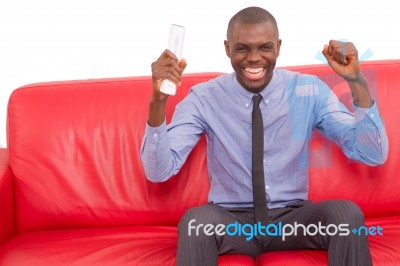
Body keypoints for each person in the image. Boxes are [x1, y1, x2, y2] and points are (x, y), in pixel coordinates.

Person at [140, 6, 388, 266]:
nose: (254, 58)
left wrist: (357, 82)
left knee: (346, 215)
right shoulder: (204, 98)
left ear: (278, 47)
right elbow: (159, 172)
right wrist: (158, 101)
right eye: (242, 48)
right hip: (232, 221)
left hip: (291, 221)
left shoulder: (308, 91)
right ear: (227, 48)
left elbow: (371, 153)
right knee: (196, 223)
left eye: (264, 47)